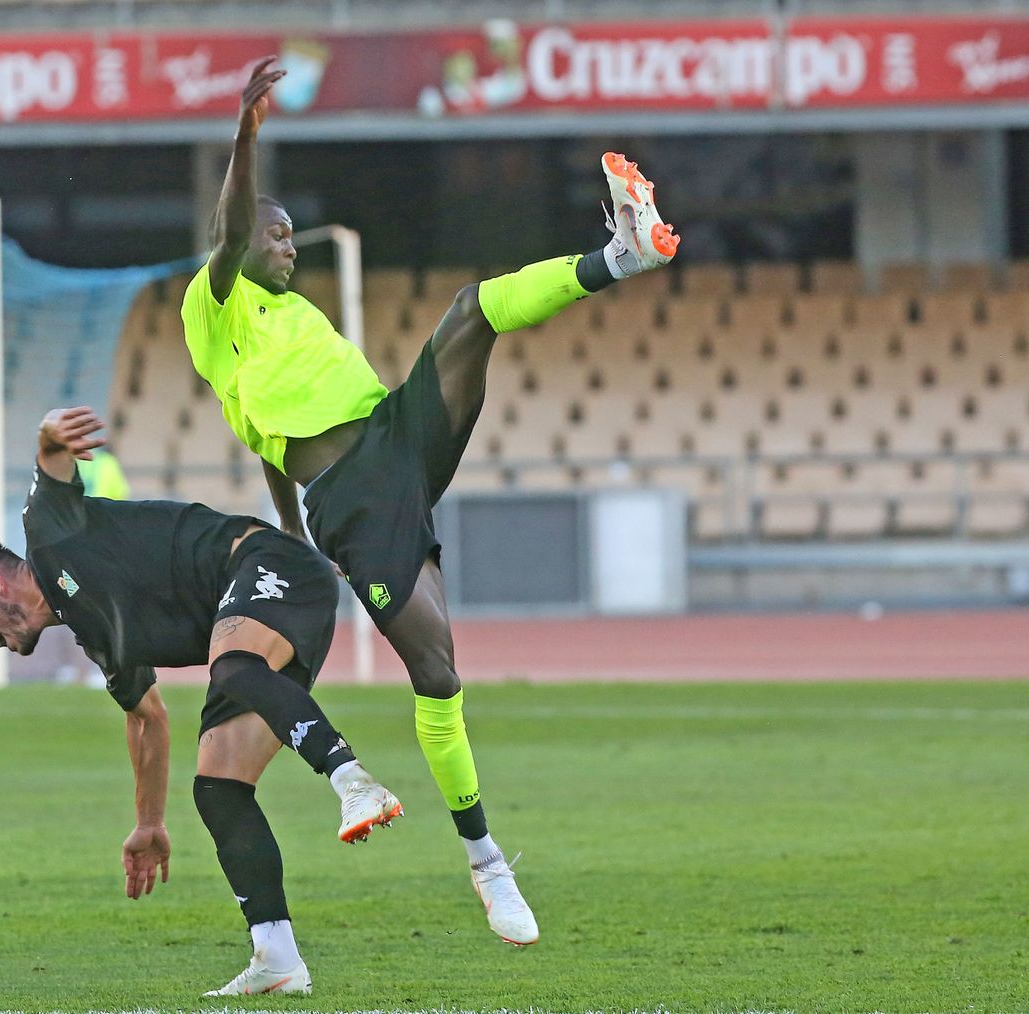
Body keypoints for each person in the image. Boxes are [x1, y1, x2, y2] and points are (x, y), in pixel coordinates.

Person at [180, 57, 680, 947]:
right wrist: (245, 138)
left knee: (468, 312)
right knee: (439, 673)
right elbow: (229, 243)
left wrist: (290, 529)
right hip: (354, 505)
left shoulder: (293, 322)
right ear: (243, 246)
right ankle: (485, 860)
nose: (290, 248)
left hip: (394, 442)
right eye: (280, 236)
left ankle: (619, 254)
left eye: (294, 236)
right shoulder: (218, 305)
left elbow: (270, 442)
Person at [0, 405, 404, 997]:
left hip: (269, 565)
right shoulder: (100, 637)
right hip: (262, 624)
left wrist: (50, 433)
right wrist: (150, 823)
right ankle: (278, 958)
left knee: (233, 665)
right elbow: (148, 719)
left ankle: (353, 780)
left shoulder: (49, 533)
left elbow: (52, 455)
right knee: (217, 787)